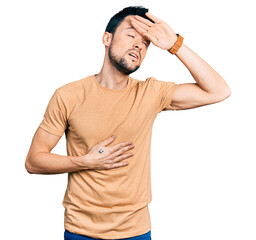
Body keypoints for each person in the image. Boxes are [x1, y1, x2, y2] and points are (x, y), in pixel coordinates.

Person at [25, 5, 231, 240]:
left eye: (146, 43)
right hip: (81, 230)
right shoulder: (68, 95)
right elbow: (34, 161)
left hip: (135, 230)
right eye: (131, 35)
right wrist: (86, 161)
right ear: (107, 38)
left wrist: (175, 44)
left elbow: (218, 91)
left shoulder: (151, 93)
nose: (138, 45)